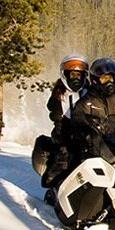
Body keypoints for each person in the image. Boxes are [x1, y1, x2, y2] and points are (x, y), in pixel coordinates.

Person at [70, 57, 115, 163]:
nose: (109, 82)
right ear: (95, 80)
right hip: (92, 156)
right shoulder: (86, 102)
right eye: (104, 79)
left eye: (111, 78)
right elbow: (77, 123)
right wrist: (95, 126)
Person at [41, 53, 89, 189]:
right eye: (72, 75)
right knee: (63, 156)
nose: (76, 79)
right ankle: (55, 186)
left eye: (79, 75)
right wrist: (59, 124)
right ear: (65, 75)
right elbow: (54, 111)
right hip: (64, 130)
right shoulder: (59, 92)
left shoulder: (88, 92)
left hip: (85, 130)